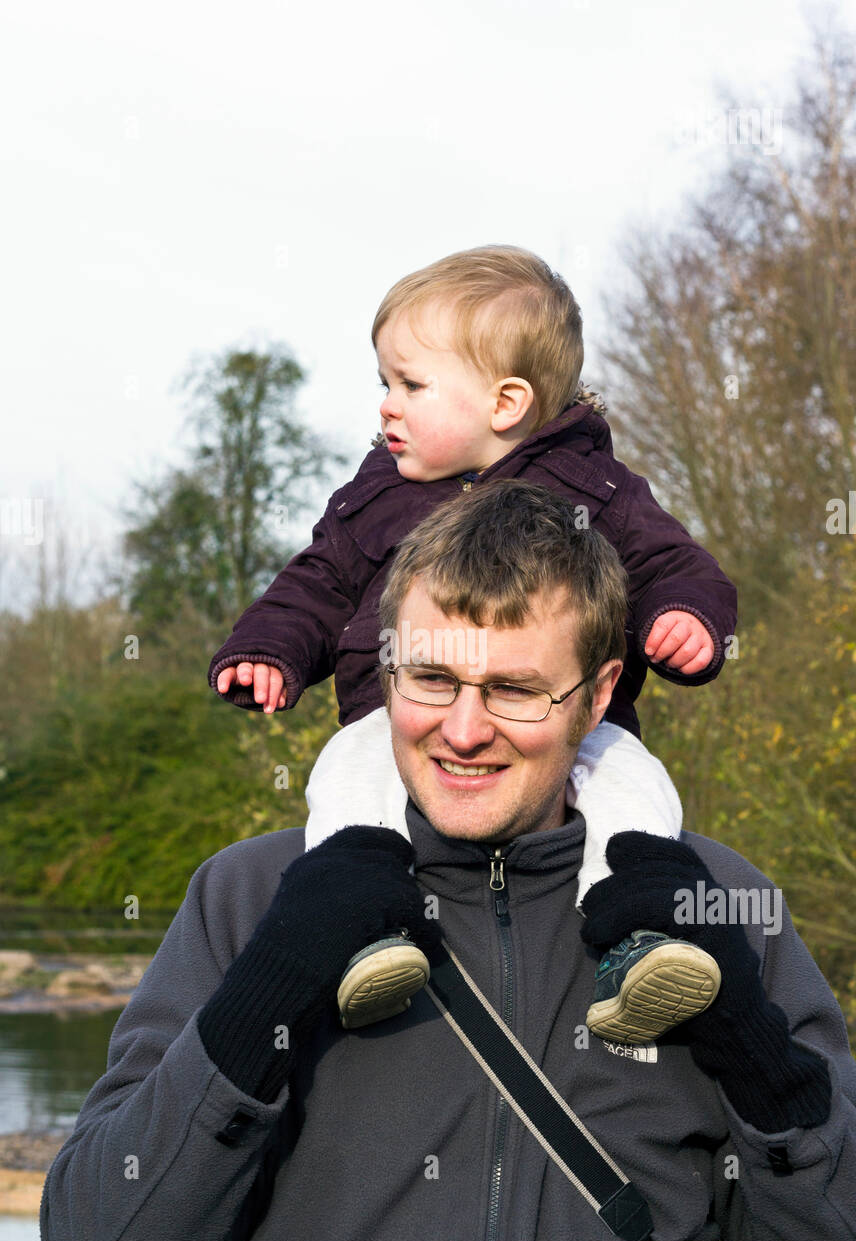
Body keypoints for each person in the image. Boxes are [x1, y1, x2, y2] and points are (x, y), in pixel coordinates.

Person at [41, 483, 856, 1241]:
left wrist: (753, 1048)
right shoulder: (246, 897)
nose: (464, 731)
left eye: (514, 690)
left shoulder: (716, 906)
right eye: (430, 679)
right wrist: (267, 993)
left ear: (601, 693)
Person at [207, 245, 737, 1039]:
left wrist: (687, 617)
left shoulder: (598, 489)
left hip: (568, 732)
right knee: (347, 779)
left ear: (506, 402)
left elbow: (672, 563)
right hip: (394, 724)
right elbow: (315, 581)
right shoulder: (375, 496)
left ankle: (640, 938)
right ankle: (363, 934)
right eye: (384, 382)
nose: (387, 405)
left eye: (411, 385)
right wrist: (268, 649)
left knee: (634, 784)